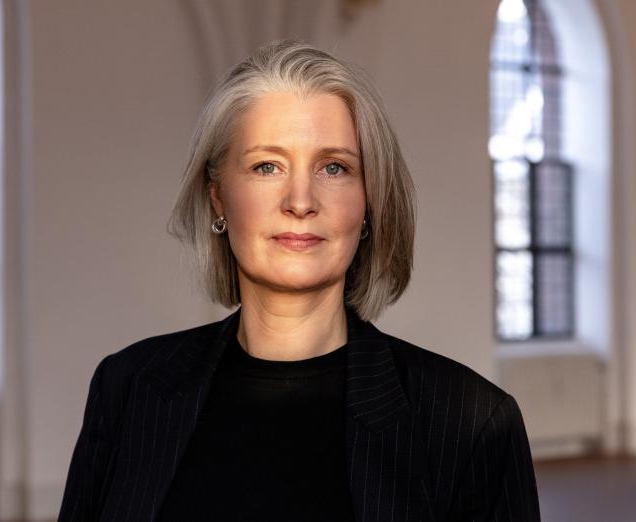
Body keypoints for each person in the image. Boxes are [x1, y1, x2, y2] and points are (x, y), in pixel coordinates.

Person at [58, 40, 540, 521]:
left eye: (334, 167)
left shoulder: (472, 422)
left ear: (369, 202)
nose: (301, 201)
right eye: (267, 166)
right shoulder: (128, 386)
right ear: (218, 196)